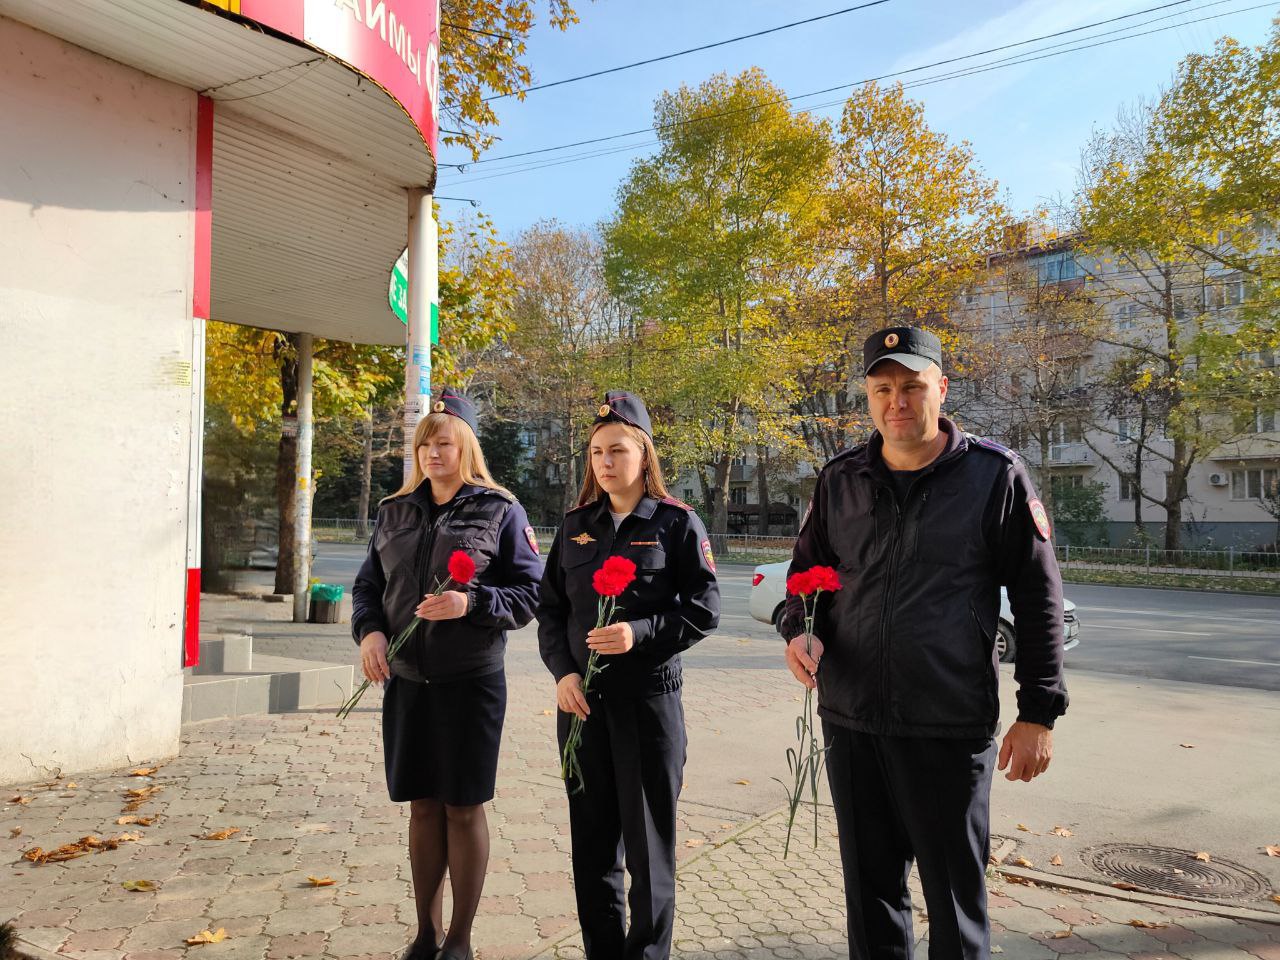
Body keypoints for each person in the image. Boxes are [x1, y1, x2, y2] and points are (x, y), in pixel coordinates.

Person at [780, 327, 1069, 960]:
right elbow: (806, 581)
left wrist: (1038, 712)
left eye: (912, 386)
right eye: (882, 388)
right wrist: (799, 629)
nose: (897, 402)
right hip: (852, 721)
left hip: (947, 724)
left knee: (955, 903)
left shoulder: (995, 478)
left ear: (941, 387)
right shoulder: (841, 479)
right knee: (871, 896)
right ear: (867, 397)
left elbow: (1038, 598)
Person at [351, 389, 541, 960]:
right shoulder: (394, 510)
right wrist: (370, 632)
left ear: (466, 448)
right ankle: (425, 933)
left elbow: (530, 593)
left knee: (462, 805)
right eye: (425, 444)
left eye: (445, 443)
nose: (433, 453)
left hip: (470, 683)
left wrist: (472, 605)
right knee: (422, 806)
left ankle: (459, 938)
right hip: (407, 681)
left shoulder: (500, 510)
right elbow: (368, 588)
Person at [537, 390, 721, 960]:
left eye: (617, 450)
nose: (605, 463)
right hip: (581, 709)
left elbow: (706, 608)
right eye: (595, 453)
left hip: (647, 708)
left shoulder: (675, 523)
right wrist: (563, 674)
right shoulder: (574, 527)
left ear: (644, 454)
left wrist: (639, 633)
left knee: (648, 853)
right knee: (591, 850)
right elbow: (551, 610)